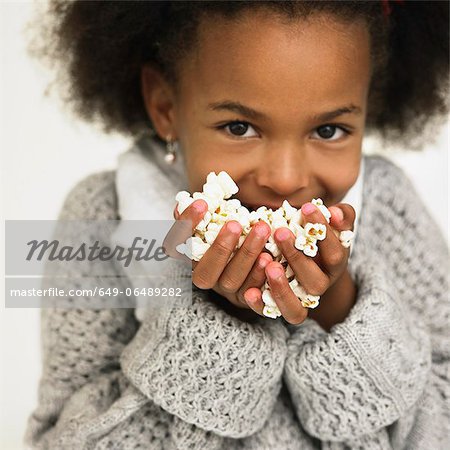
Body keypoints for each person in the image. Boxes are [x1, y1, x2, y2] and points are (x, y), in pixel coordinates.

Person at [25, 1, 449, 449]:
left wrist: (339, 308)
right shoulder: (101, 216)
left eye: (329, 131)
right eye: (239, 126)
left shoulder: (387, 204)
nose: (286, 179)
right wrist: (218, 323)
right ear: (165, 105)